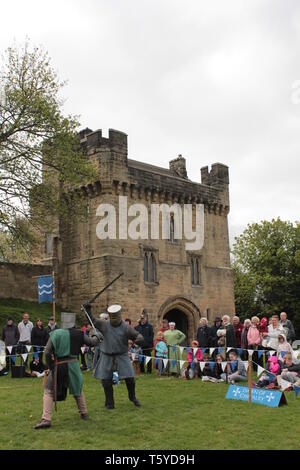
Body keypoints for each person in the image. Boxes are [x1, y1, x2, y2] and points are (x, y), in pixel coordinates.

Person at [34, 313, 101, 429]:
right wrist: (97, 335)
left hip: (58, 365)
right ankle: (84, 413)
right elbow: (92, 342)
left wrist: (51, 367)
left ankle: (46, 419)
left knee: (48, 391)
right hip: (74, 365)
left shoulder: (55, 334)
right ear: (73, 322)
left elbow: (47, 352)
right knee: (78, 390)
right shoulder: (79, 333)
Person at [87, 304, 144, 409]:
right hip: (106, 354)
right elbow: (93, 320)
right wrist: (88, 310)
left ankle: (132, 397)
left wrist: (139, 338)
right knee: (105, 380)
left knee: (130, 378)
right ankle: (109, 403)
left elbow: (137, 335)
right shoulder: (104, 324)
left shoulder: (125, 327)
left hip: (122, 354)